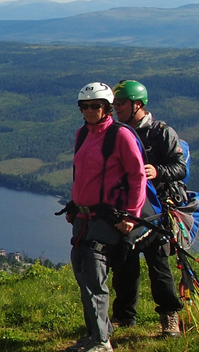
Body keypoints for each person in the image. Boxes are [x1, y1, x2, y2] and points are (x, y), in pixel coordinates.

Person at [65, 82, 147, 352]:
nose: (89, 110)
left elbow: (137, 176)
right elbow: (82, 175)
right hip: (83, 216)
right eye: (85, 106)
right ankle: (95, 333)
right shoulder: (82, 134)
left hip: (107, 217)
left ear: (107, 107)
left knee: (93, 274)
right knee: (81, 271)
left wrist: (132, 217)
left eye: (95, 105)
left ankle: (101, 341)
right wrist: (75, 206)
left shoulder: (120, 135)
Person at [108, 80, 186, 338]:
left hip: (156, 211)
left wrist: (158, 171)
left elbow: (180, 168)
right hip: (127, 209)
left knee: (158, 265)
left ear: (137, 104)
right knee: (124, 264)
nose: (116, 108)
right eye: (115, 104)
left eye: (121, 103)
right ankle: (123, 316)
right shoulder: (117, 132)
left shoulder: (161, 132)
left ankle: (169, 317)